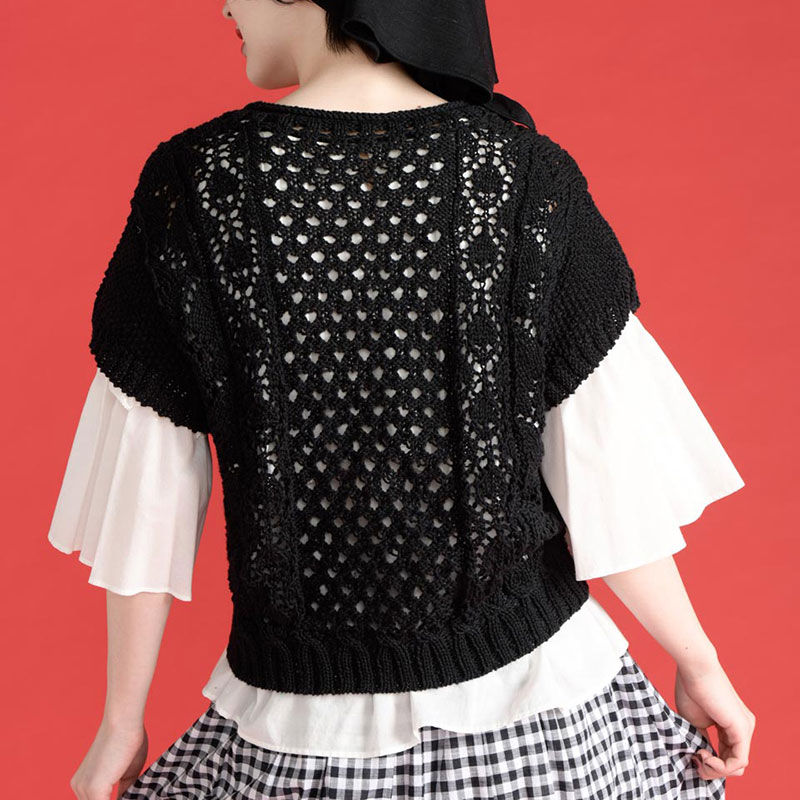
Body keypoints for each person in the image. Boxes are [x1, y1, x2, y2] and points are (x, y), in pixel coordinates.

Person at [47, 1, 756, 797]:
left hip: (300, 740)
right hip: (539, 715)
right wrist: (698, 661)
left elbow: (146, 493)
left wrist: (121, 720)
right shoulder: (524, 177)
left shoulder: (194, 186)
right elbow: (601, 469)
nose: (223, 5)